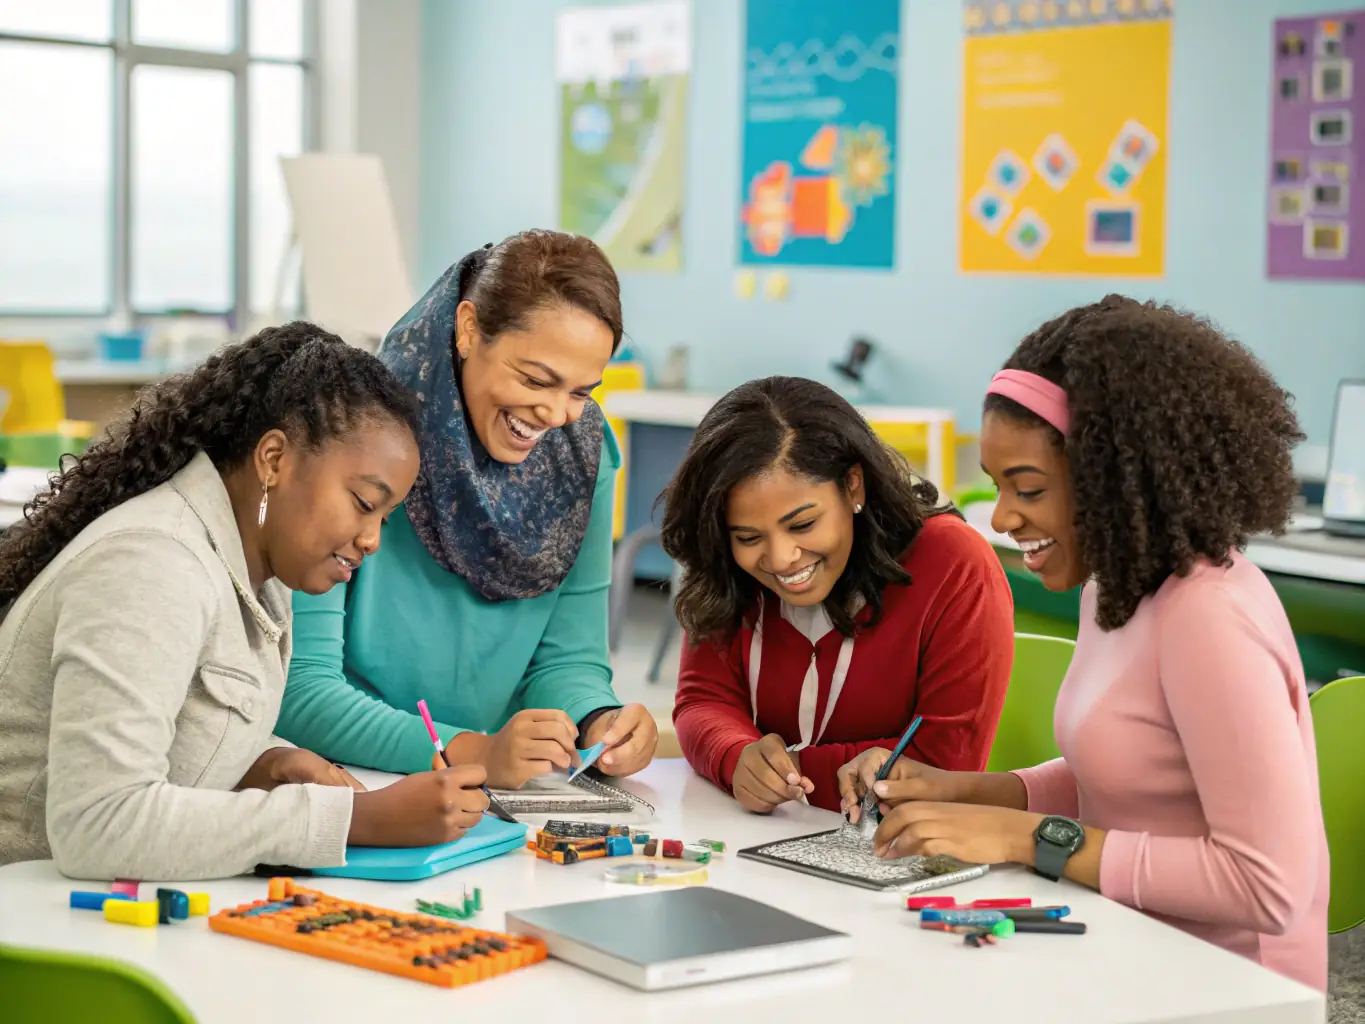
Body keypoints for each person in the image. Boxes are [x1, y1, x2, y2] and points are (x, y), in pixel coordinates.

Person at [840, 296, 1329, 991]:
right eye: (995, 485)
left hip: (1229, 986)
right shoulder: (1117, 582)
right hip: (1127, 941)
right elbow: (1131, 776)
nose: (1002, 517)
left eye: (1028, 489)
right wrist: (968, 792)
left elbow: (1267, 888)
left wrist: (1022, 839)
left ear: (1116, 483)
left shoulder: (1209, 619)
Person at [0, 324, 493, 881]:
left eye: (384, 518)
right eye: (362, 503)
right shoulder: (152, 564)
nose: (372, 539)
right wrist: (353, 818)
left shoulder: (263, 571)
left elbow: (181, 729)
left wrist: (265, 762)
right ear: (274, 458)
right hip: (30, 921)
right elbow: (96, 823)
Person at [277, 231, 658, 786]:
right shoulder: (360, 436)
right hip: (348, 778)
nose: (557, 415)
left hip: (484, 793)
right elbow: (304, 689)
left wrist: (597, 721)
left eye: (581, 392)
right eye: (535, 379)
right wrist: (472, 750)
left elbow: (568, 661)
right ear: (468, 328)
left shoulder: (584, 458)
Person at [662, 377, 1014, 814]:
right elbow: (702, 699)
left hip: (895, 853)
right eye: (749, 536)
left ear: (853, 486)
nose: (781, 558)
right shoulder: (729, 567)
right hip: (765, 843)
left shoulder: (955, 564)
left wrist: (790, 769)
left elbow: (947, 762)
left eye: (803, 525)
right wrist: (735, 755)